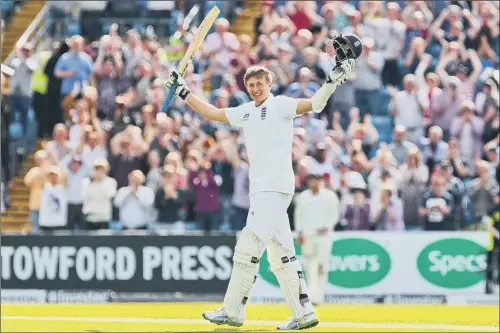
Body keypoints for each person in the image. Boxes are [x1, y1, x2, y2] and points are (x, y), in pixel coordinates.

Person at [164, 33, 360, 330]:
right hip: (263, 189)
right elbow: (215, 113)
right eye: (251, 85)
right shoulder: (245, 112)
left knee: (249, 245)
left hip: (275, 185)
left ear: (270, 84)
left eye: (260, 84)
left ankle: (232, 311)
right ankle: (304, 313)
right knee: (282, 254)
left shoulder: (280, 105)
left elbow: (315, 105)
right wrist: (184, 93)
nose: (256, 89)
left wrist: (331, 81)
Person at [294, 173, 340, 305]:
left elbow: (335, 214)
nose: (313, 183)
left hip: (324, 236)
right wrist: (300, 232)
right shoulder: (303, 197)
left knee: (322, 266)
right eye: (311, 181)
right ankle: (311, 295)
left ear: (320, 181)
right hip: (308, 236)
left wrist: (327, 226)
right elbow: (298, 216)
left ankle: (319, 295)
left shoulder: (330, 196)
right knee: (310, 266)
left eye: (316, 181)